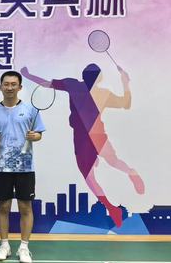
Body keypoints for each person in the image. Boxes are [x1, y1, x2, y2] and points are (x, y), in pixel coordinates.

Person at [21, 64, 143, 226]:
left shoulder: (74, 85)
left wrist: (28, 75)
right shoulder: (102, 93)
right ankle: (129, 175)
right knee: (112, 162)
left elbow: (46, 84)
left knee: (90, 177)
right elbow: (126, 103)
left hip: (84, 137)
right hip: (96, 135)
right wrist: (125, 83)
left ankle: (111, 207)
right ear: (100, 78)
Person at [0, 71, 45, 263]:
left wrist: (35, 136)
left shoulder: (31, 110)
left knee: (25, 207)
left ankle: (24, 247)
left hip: (25, 167)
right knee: (3, 206)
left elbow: (39, 134)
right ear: (0, 87)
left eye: (13, 84)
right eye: (6, 84)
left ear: (20, 87)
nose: (9, 87)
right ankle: (4, 245)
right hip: (2, 167)